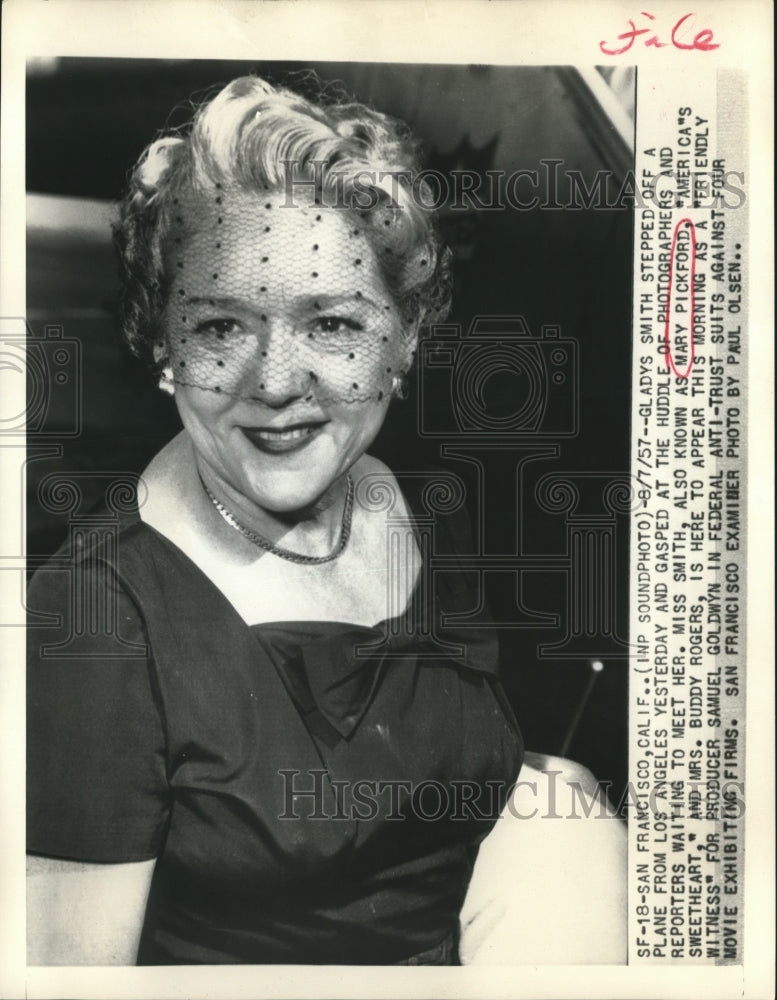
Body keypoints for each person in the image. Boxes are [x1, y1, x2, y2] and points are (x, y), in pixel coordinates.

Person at [26, 74, 625, 967]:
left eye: (333, 324)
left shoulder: (426, 515)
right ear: (159, 342)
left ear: (405, 337)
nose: (274, 381)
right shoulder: (95, 618)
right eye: (221, 326)